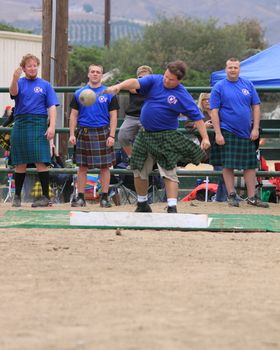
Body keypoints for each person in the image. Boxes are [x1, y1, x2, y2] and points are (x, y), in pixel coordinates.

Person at [104, 60, 210, 213]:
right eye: (166, 76)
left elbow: (197, 117)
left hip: (166, 136)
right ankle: (142, 203)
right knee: (138, 168)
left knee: (168, 171)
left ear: (179, 80)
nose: (166, 80)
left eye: (171, 79)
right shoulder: (155, 80)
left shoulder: (182, 95)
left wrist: (205, 138)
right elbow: (135, 82)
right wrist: (118, 86)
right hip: (145, 134)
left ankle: (172, 206)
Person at [210, 57, 269, 208]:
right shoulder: (219, 86)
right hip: (227, 130)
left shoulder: (248, 84)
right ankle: (231, 195)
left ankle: (252, 197)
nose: (233, 70)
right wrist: (218, 133)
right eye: (230, 67)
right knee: (228, 164)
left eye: (235, 67)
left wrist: (255, 128)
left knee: (250, 165)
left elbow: (256, 106)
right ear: (226, 69)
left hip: (246, 131)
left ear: (239, 69)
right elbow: (214, 111)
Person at [9, 53, 59, 207]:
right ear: (23, 68)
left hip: (39, 123)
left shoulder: (45, 85)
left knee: (41, 161)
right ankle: (17, 197)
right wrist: (14, 78)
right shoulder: (19, 82)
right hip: (21, 122)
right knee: (20, 162)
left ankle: (45, 197)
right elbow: (13, 92)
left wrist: (51, 126)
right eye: (29, 65)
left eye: (34, 65)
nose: (32, 68)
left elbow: (52, 106)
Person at [69, 63, 119, 208]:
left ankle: (104, 198)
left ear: (101, 75)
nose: (95, 74)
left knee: (105, 167)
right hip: (84, 132)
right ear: (88, 74)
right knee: (82, 167)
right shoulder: (79, 93)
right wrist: (72, 134)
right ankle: (80, 198)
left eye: (98, 72)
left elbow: (114, 117)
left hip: (102, 132)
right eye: (92, 71)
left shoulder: (108, 93)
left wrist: (112, 135)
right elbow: (73, 115)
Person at [118, 65, 153, 158]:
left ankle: (152, 162)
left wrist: (137, 89)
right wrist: (132, 87)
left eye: (146, 77)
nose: (143, 79)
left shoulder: (154, 86)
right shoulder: (132, 84)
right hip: (131, 117)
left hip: (147, 117)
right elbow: (119, 83)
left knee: (152, 139)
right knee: (122, 135)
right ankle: (132, 158)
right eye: (140, 77)